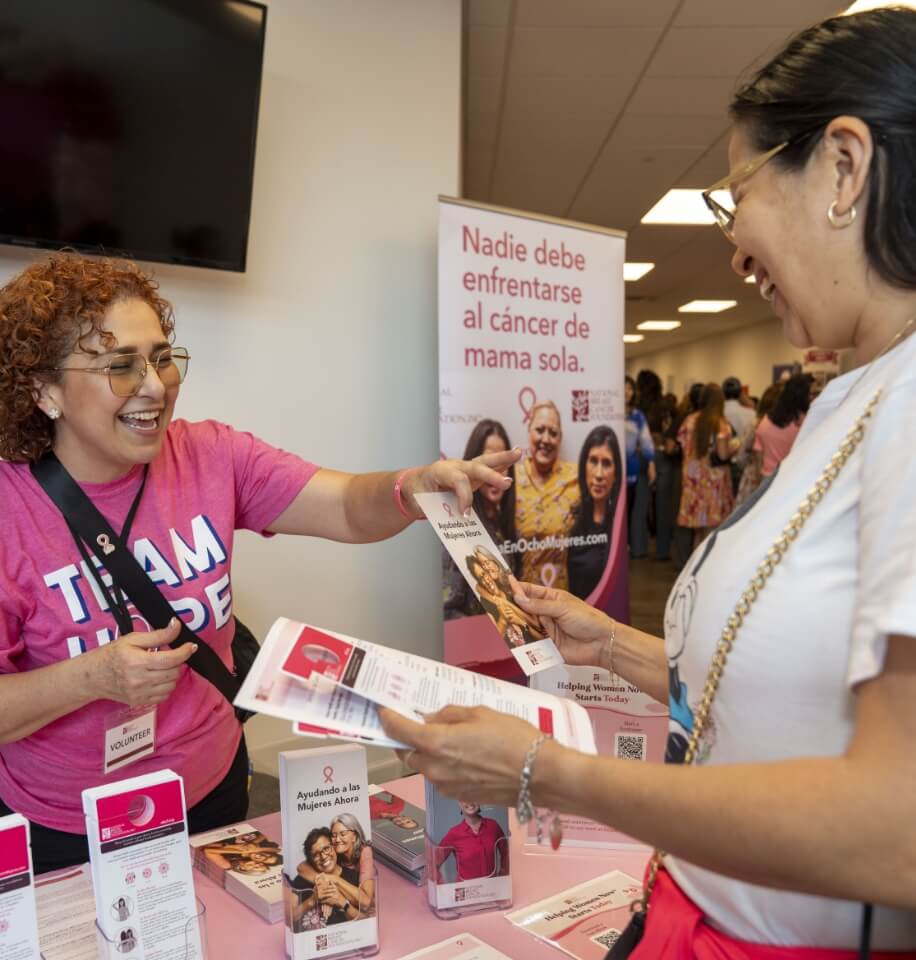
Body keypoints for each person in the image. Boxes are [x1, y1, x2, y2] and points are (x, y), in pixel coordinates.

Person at [381, 8, 916, 954]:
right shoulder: (853, 392)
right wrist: (619, 648)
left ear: (843, 168)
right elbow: (797, 688)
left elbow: (898, 827)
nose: (736, 246)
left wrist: (545, 771)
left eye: (734, 194)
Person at [0, 253, 517, 874]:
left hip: (212, 788)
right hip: (67, 826)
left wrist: (412, 488)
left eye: (162, 358)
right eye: (120, 366)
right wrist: (93, 678)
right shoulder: (11, 511)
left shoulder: (211, 456)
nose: (155, 385)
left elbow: (348, 507)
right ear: (44, 389)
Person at [443, 419, 518, 620]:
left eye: (502, 465)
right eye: (488, 464)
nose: (495, 474)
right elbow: (447, 610)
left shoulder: (506, 525)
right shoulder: (459, 527)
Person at [513, 401, 579, 590]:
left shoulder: (576, 478)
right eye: (540, 430)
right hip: (521, 595)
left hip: (563, 597)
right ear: (529, 431)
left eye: (553, 433)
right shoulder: (511, 479)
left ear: (560, 438)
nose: (546, 439)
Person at [676, 383, 737, 547]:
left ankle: (695, 570)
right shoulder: (720, 424)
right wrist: (735, 447)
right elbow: (723, 454)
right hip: (714, 485)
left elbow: (684, 448)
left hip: (693, 483)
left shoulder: (688, 421)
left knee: (698, 532)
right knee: (711, 532)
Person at [566, 425, 623, 599]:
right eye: (593, 461)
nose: (598, 474)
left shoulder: (619, 526)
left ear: (616, 473)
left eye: (606, 463)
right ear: (584, 466)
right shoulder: (569, 518)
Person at [296, 814, 374, 915]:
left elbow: (366, 903)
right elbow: (301, 867)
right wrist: (326, 888)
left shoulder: (365, 852)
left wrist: (333, 878)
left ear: (354, 836)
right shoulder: (335, 851)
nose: (337, 839)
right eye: (334, 835)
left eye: (343, 834)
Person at [288, 827, 362, 929]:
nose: (323, 856)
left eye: (326, 848)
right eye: (316, 855)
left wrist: (341, 902)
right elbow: (289, 918)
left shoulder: (354, 877)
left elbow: (366, 919)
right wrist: (313, 900)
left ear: (334, 847)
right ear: (311, 860)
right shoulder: (301, 880)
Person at [753, 372, 813, 477]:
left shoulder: (765, 421)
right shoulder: (804, 424)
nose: (812, 397)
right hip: (792, 478)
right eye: (811, 394)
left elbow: (758, 455)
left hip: (768, 477)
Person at [435, 801, 508, 882]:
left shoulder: (493, 826)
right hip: (465, 891)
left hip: (491, 890)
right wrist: (441, 887)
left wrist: (503, 875)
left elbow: (507, 853)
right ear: (459, 803)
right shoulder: (454, 833)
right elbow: (433, 862)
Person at [624, 376, 656, 559]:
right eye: (624, 387)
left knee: (629, 509)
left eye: (630, 388)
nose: (627, 392)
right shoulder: (609, 411)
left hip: (632, 470)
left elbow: (646, 440)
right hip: (610, 470)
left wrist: (651, 462)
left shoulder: (637, 416)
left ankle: (627, 546)